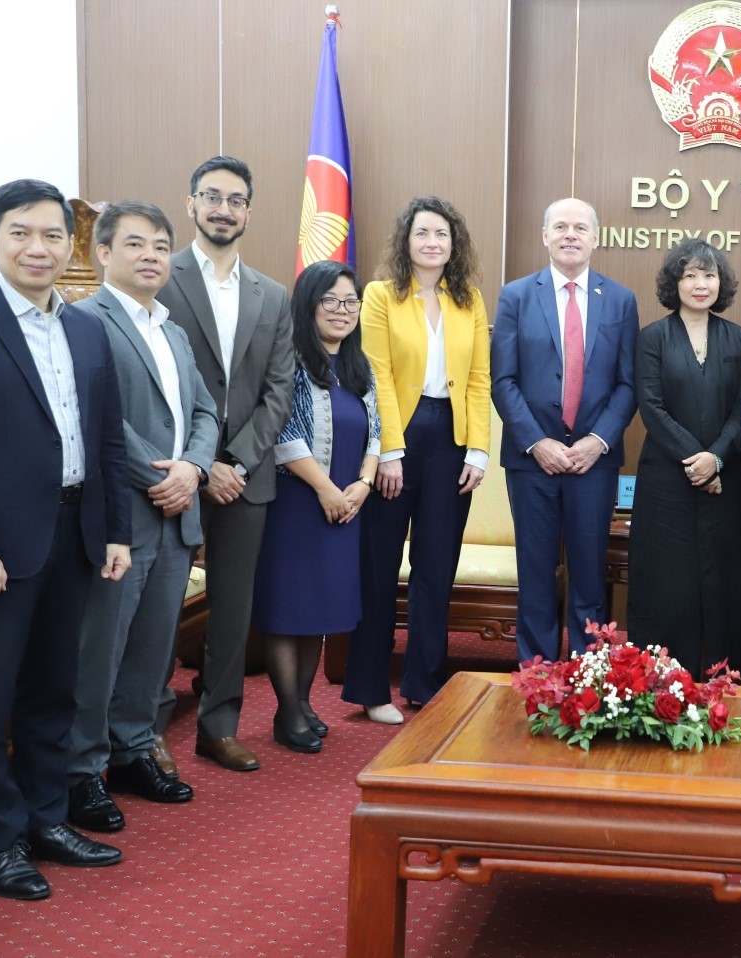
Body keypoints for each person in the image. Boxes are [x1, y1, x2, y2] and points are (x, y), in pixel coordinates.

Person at [0, 179, 132, 899]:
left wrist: (114, 531)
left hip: (75, 533)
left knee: (54, 691)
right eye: (21, 233)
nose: (38, 247)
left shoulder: (86, 328)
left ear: (71, 245)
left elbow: (105, 441)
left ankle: (46, 819)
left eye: (52, 235)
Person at [67, 202, 219, 834]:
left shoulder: (171, 328)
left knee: (153, 650)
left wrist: (195, 468)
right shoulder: (83, 320)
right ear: (103, 253)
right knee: (100, 650)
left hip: (177, 514)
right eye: (136, 244)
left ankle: (131, 754)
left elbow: (205, 411)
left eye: (160, 245)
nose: (152, 255)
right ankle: (80, 772)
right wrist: (163, 477)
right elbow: (94, 416)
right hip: (121, 517)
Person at [154, 156, 294, 773]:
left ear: (248, 212)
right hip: (173, 473)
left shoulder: (273, 295)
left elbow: (279, 390)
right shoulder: (161, 278)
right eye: (211, 197)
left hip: (247, 475)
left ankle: (219, 726)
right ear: (191, 204)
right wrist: (203, 463)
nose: (223, 209)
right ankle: (146, 731)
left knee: (233, 610)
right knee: (160, 609)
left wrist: (235, 460)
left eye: (236, 200)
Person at [345, 196, 486, 721]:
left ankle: (424, 682)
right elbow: (376, 374)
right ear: (406, 240)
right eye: (422, 233)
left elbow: (479, 378)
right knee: (379, 566)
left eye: (442, 234)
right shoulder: (381, 295)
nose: (432, 242)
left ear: (454, 244)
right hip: (397, 436)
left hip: (452, 438)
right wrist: (388, 450)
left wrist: (478, 449)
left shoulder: (470, 300)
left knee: (436, 566)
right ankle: (371, 689)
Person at [491, 198, 639, 666]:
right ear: (545, 236)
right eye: (560, 226)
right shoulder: (516, 296)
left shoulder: (620, 299)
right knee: (535, 572)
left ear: (596, 238)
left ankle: (586, 674)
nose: (570, 234)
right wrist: (537, 442)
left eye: (579, 227)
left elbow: (628, 384)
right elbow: (503, 381)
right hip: (531, 460)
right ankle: (537, 676)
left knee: (589, 573)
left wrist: (598, 441)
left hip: (594, 462)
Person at [254, 261, 380, 749]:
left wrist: (364, 483)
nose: (342, 310)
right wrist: (326, 489)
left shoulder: (359, 365)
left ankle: (303, 703)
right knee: (289, 606)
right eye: (330, 300)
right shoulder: (288, 360)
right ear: (308, 304)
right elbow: (282, 433)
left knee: (319, 608)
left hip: (346, 505)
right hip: (296, 504)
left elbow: (377, 431)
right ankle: (287, 712)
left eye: (350, 301)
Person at [628, 238, 741, 675]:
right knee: (670, 583)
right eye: (690, 275)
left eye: (709, 275)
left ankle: (723, 676)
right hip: (667, 481)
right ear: (675, 283)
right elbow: (652, 408)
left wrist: (717, 459)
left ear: (721, 284)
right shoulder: (652, 337)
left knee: (723, 580)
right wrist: (699, 462)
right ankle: (664, 678)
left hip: (726, 481)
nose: (701, 284)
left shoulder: (737, 338)